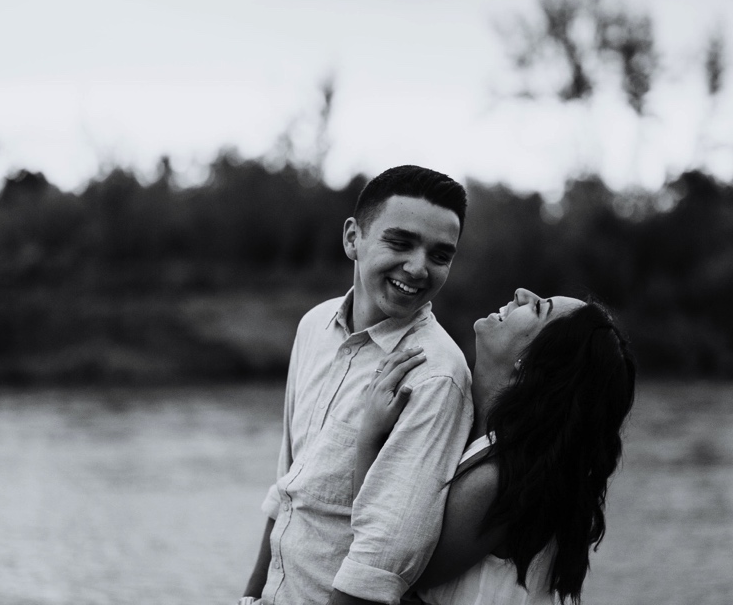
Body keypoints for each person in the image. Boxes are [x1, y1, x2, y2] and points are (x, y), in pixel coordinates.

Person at [242, 165, 474, 605]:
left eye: (440, 255)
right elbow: (288, 488)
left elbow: (380, 563)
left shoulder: (436, 375)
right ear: (353, 238)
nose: (418, 268)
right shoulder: (314, 325)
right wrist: (249, 598)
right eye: (401, 242)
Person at [356, 289, 636, 605]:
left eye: (539, 308)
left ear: (530, 364)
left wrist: (369, 437)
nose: (521, 294)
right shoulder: (493, 446)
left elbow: (386, 570)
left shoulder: (500, 478)